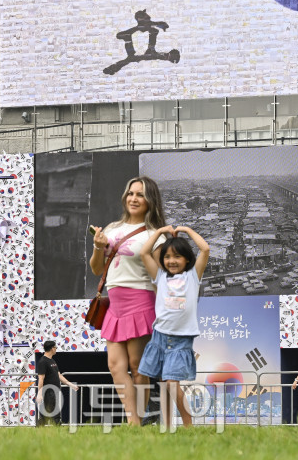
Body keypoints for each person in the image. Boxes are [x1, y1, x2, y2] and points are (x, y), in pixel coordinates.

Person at [89, 177, 168, 426]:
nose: (133, 198)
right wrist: (98, 247)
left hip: (141, 299)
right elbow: (96, 269)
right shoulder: (112, 229)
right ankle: (132, 420)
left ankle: (137, 422)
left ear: (150, 201)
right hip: (115, 303)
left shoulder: (155, 235)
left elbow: (160, 275)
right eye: (130, 193)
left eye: (140, 195)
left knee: (137, 366)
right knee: (115, 365)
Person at [137, 225, 209, 429]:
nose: (171, 261)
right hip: (160, 335)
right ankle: (157, 418)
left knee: (170, 383)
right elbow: (144, 252)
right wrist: (160, 233)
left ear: (187, 259)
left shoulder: (193, 276)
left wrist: (186, 230)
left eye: (177, 256)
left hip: (181, 339)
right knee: (150, 377)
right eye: (167, 257)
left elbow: (205, 249)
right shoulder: (160, 276)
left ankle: (187, 423)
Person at [35, 340, 78, 426]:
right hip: (49, 392)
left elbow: (58, 375)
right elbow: (41, 379)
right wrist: (39, 394)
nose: (56, 349)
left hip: (55, 391)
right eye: (55, 347)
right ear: (51, 348)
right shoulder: (43, 362)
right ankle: (52, 430)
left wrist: (70, 384)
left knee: (50, 414)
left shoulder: (52, 361)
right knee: (50, 415)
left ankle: (45, 430)